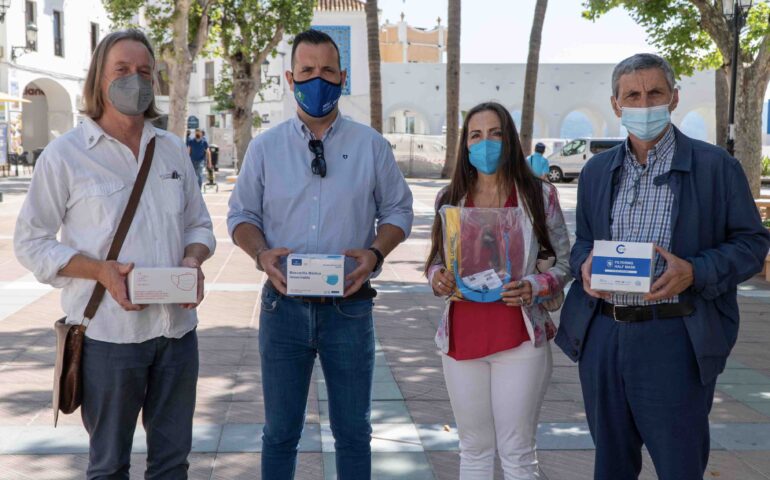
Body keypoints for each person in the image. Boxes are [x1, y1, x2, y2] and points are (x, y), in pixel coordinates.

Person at [555, 53, 770, 480]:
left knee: (679, 466)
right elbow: (582, 243)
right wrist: (584, 266)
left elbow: (752, 243)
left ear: (674, 97)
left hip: (675, 336)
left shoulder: (716, 168)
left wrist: (696, 270)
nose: (644, 102)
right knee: (611, 465)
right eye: (632, 95)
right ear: (616, 105)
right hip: (604, 334)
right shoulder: (598, 171)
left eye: (654, 92)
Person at [14, 29, 216, 479]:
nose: (135, 79)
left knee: (172, 464)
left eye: (144, 71)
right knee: (108, 466)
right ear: (98, 81)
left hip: (177, 334)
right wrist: (100, 272)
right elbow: (31, 242)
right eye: (121, 70)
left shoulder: (170, 149)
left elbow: (198, 223)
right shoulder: (66, 156)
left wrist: (193, 260)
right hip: (109, 339)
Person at [227, 29, 413, 480]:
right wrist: (261, 254)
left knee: (352, 432)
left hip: (348, 310)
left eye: (327, 71)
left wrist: (374, 253)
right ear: (291, 78)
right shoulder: (265, 148)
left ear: (343, 77)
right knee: (280, 433)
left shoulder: (370, 145)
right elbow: (241, 216)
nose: (318, 80)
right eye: (307, 71)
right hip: (282, 307)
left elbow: (398, 210)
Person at [425, 102, 572, 479]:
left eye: (495, 134)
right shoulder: (449, 198)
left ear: (510, 140)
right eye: (476, 135)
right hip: (462, 339)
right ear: (465, 144)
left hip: (518, 338)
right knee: (473, 449)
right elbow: (435, 261)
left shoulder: (539, 196)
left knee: (517, 453)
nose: (485, 143)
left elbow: (564, 263)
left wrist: (534, 286)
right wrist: (437, 277)